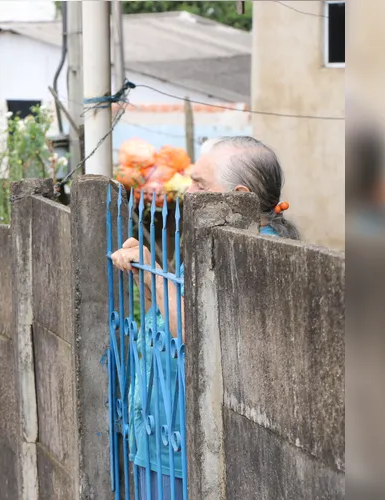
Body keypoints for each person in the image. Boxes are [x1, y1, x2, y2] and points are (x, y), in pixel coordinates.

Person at [109, 136, 300, 499]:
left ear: (237, 196)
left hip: (189, 449)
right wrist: (149, 277)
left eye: (200, 183)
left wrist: (153, 273)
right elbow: (176, 315)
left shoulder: (257, 257)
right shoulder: (212, 240)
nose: (188, 191)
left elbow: (197, 334)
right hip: (163, 431)